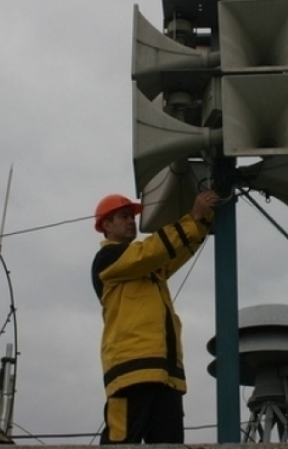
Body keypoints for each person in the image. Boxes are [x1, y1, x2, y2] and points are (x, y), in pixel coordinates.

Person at [91, 189, 219, 444]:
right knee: (121, 441)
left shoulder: (144, 265)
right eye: (124, 216)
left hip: (164, 371)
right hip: (131, 367)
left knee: (167, 441)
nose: (131, 221)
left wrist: (202, 221)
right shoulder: (107, 259)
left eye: (131, 217)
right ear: (106, 224)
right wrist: (191, 217)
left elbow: (173, 251)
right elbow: (153, 250)